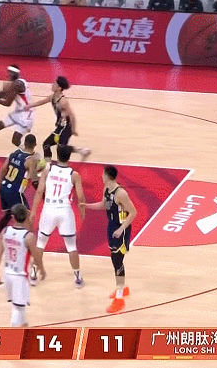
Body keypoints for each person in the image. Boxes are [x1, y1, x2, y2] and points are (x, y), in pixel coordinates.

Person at [81, 165, 137, 313]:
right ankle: (123, 288)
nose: (101, 176)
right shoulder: (107, 189)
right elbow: (104, 205)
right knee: (115, 259)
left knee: (117, 261)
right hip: (112, 226)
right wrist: (87, 206)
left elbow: (133, 212)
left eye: (102, 174)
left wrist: (121, 229)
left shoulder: (121, 193)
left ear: (106, 176)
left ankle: (120, 298)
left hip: (120, 229)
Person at [30, 145, 86, 288]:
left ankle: (33, 274)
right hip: (64, 210)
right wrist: (82, 212)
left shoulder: (48, 170)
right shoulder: (74, 175)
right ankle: (78, 278)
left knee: (40, 243)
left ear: (57, 155)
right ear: (69, 157)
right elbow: (81, 197)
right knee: (71, 246)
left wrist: (34, 211)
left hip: (49, 209)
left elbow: (39, 192)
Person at [0, 204, 46, 327]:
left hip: (7, 274)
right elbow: (37, 257)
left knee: (20, 311)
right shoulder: (29, 237)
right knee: (18, 309)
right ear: (26, 216)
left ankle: (23, 329)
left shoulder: (5, 231)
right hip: (20, 277)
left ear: (13, 217)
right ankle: (14, 336)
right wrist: (42, 270)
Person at [0, 135, 42, 253]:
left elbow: (2, 170)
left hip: (4, 187)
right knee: (27, 216)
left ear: (25, 143)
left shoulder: (14, 154)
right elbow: (34, 180)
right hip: (15, 191)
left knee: (8, 215)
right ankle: (30, 247)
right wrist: (42, 192)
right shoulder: (31, 160)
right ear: (35, 145)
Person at [23, 76, 91, 162]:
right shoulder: (53, 97)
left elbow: (72, 116)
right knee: (50, 145)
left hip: (66, 128)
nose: (52, 85)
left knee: (55, 147)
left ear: (59, 88)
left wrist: (73, 130)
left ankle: (48, 164)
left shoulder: (63, 101)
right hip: (60, 127)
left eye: (55, 84)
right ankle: (82, 151)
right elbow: (42, 102)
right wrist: (29, 106)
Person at [0, 65, 35, 147]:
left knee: (15, 140)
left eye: (10, 73)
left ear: (15, 74)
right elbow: (4, 95)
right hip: (18, 112)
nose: (8, 75)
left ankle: (29, 152)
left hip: (26, 115)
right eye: (8, 72)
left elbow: (7, 103)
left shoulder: (17, 84)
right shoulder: (17, 83)